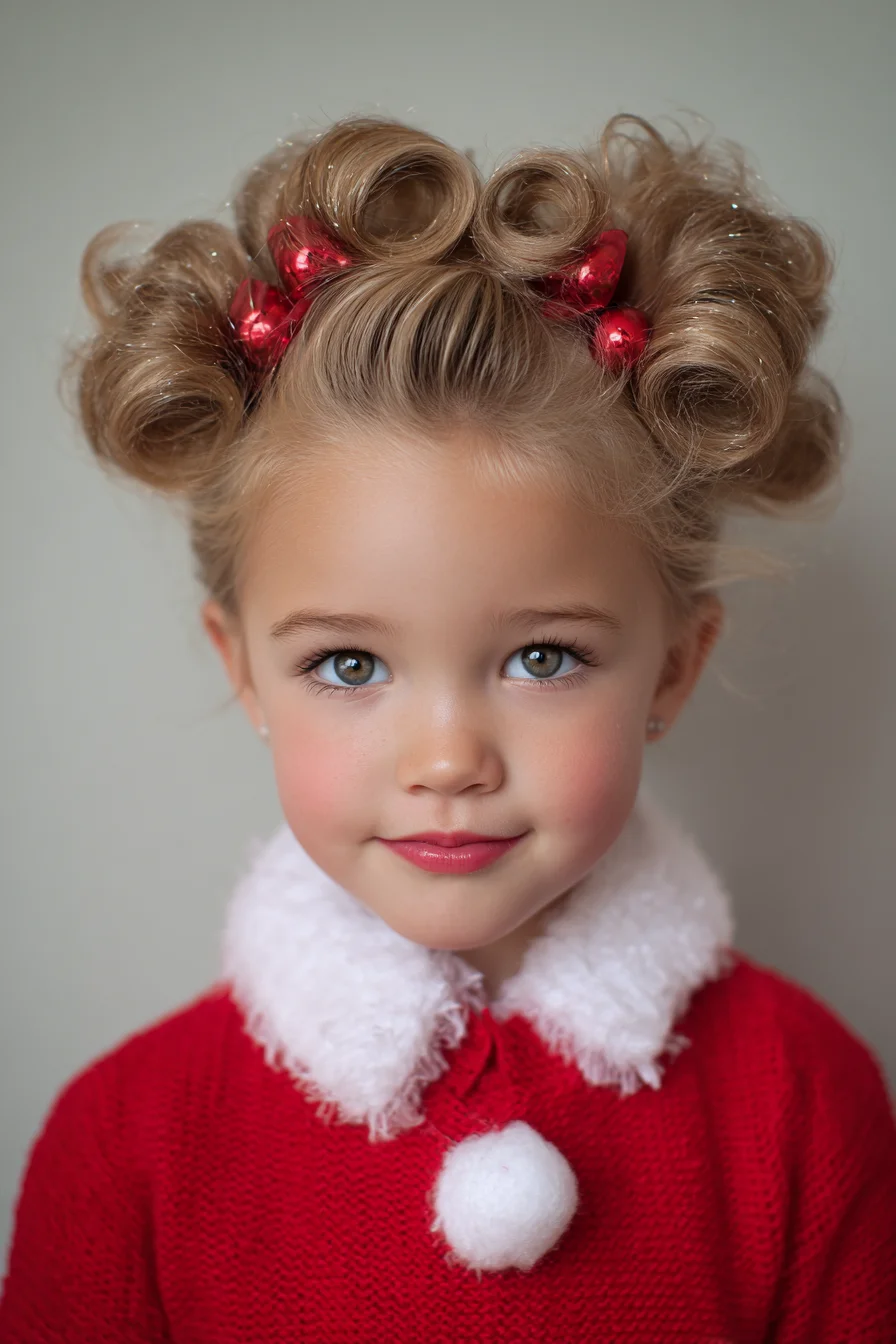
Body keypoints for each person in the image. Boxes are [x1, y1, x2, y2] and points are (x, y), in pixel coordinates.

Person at [1, 111, 894, 1342]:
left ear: (673, 670)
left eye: (541, 657)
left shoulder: (806, 1104)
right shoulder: (125, 1146)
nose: (446, 761)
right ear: (244, 672)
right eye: (349, 662)